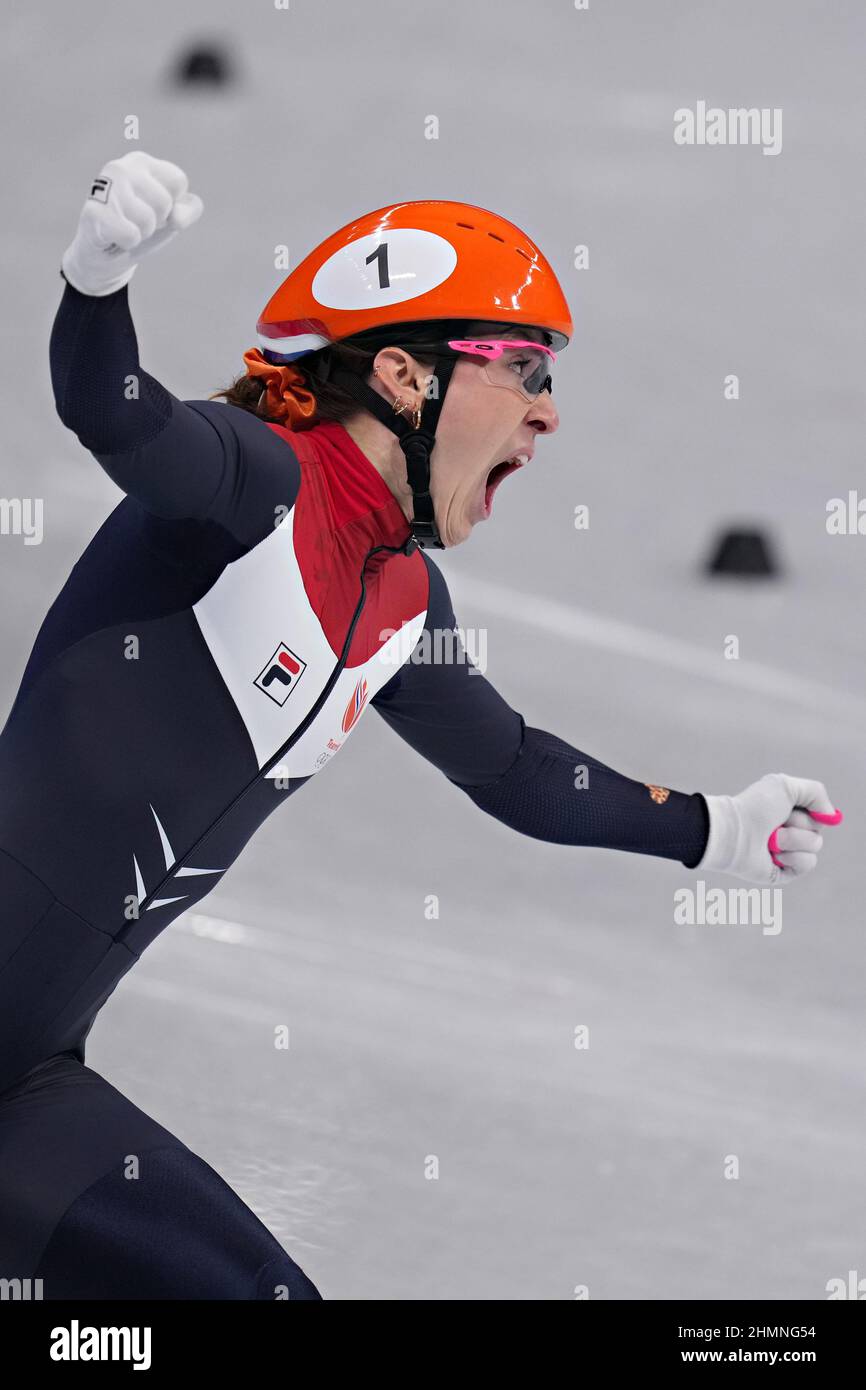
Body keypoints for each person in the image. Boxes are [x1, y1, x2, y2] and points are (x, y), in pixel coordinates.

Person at [0, 152, 841, 1300]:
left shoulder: (399, 601)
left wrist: (716, 828)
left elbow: (514, 771)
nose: (548, 411)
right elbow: (113, 412)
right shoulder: (260, 482)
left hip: (25, 1080)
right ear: (402, 374)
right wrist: (98, 278)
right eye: (522, 368)